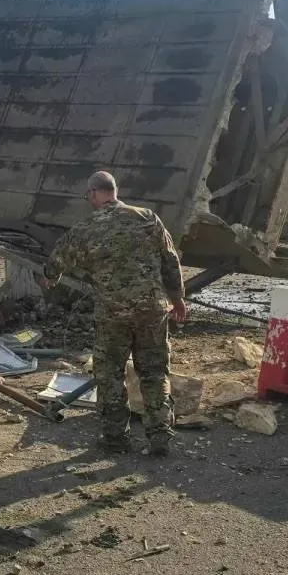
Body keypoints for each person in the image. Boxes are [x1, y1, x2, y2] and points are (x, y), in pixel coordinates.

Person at [40, 171, 187, 456]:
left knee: (110, 374)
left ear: (94, 193)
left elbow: (58, 258)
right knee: (154, 372)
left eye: (88, 195)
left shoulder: (86, 227)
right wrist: (177, 298)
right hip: (151, 312)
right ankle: (159, 435)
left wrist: (50, 277)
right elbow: (170, 259)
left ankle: (116, 439)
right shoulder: (147, 218)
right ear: (115, 191)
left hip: (112, 316)